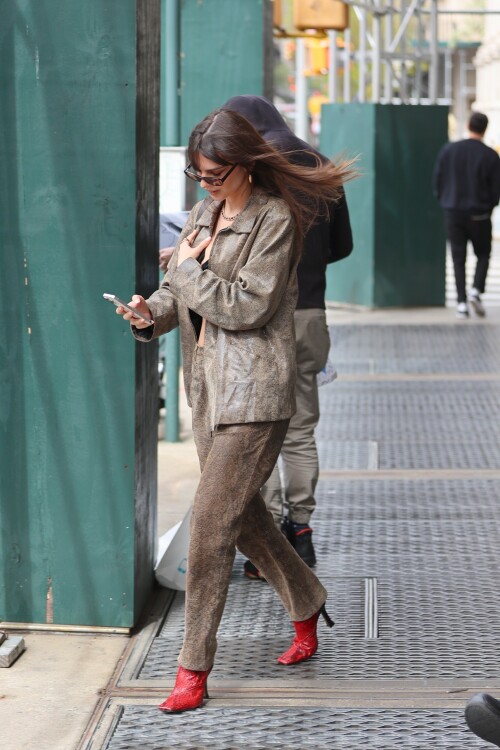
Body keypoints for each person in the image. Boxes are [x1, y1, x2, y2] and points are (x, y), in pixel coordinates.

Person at [113, 107, 353, 714]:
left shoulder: (277, 219)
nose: (206, 185)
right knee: (245, 522)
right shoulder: (205, 214)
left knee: (212, 529)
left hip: (255, 395)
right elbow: (183, 296)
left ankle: (192, 668)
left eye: (214, 174)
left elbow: (246, 308)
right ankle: (307, 600)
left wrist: (187, 268)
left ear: (246, 164)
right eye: (198, 176)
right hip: (208, 393)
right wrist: (151, 314)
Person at [223, 95, 353, 572]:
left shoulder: (256, 167)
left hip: (266, 318)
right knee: (301, 431)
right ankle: (301, 530)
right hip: (312, 315)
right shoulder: (319, 163)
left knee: (260, 431)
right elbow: (344, 244)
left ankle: (271, 538)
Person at [433, 111, 500, 319]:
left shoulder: (449, 150)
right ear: (484, 128)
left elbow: (438, 181)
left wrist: (445, 202)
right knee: (483, 254)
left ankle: (461, 302)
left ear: (468, 125)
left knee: (458, 257)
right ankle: (476, 290)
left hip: (453, 212)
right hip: (479, 214)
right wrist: (488, 207)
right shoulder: (490, 155)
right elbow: (496, 189)